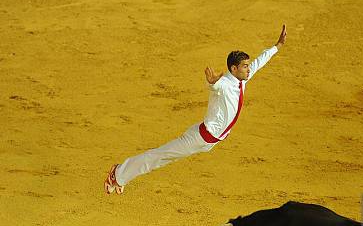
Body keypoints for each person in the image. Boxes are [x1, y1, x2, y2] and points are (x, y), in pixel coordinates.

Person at [104, 25, 287, 194]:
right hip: (199, 138)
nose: (249, 69)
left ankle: (122, 175)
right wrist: (212, 82)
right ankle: (118, 174)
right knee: (161, 156)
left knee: (163, 157)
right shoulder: (223, 84)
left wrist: (277, 46)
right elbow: (215, 88)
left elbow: (260, 61)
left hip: (210, 140)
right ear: (233, 68)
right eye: (245, 66)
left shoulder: (242, 79)